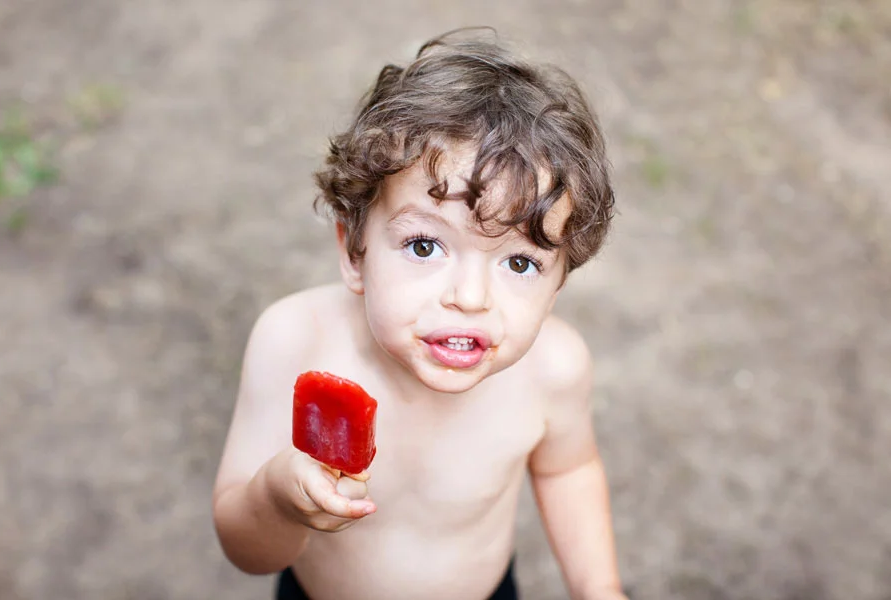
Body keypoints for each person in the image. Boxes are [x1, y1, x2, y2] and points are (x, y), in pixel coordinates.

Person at [212, 27, 627, 600]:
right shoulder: (292, 342)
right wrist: (278, 500)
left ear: (559, 282)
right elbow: (246, 551)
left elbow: (568, 471)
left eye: (520, 263)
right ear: (353, 250)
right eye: (425, 246)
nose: (471, 297)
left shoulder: (553, 369)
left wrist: (598, 587)